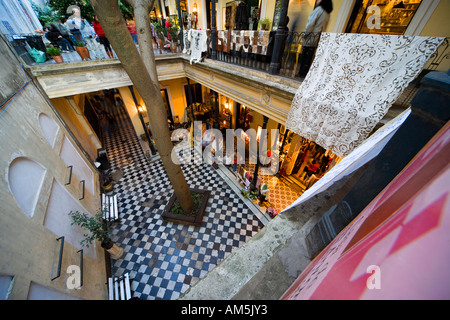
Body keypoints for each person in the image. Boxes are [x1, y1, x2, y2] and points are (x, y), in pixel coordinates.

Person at [297, 0, 333, 77]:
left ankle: (301, 73)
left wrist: (305, 34)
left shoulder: (319, 10)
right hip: (318, 38)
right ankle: (305, 73)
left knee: (304, 56)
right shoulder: (327, 13)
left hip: (311, 37)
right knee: (310, 56)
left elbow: (310, 24)